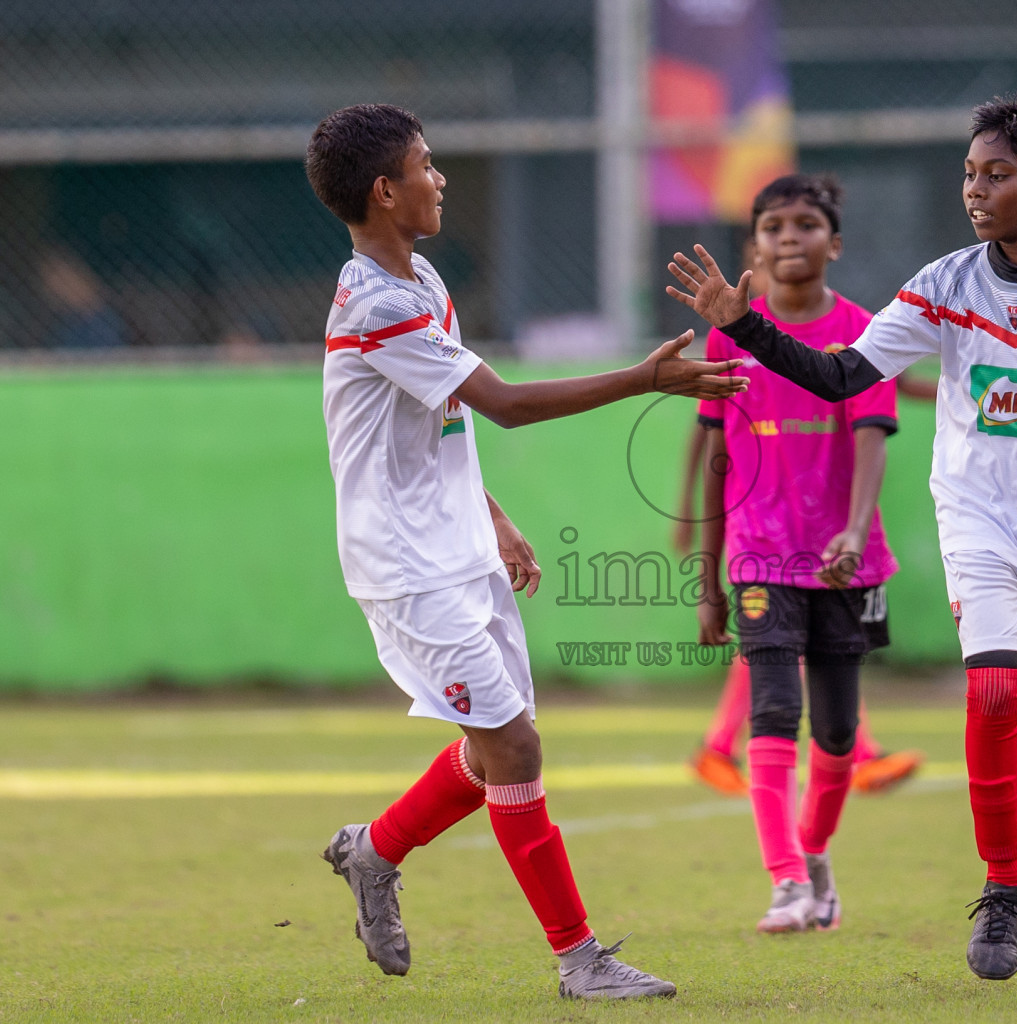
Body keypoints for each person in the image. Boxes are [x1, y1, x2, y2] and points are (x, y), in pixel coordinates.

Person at [667, 96, 1017, 987]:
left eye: (998, 174)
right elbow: (839, 375)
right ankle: (1004, 886)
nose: (975, 189)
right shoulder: (943, 283)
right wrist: (742, 324)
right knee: (990, 692)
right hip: (977, 514)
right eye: (970, 173)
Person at [305, 103, 746, 1000]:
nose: (441, 178)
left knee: (494, 750)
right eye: (427, 165)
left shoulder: (421, 277)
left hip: (457, 543)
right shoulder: (380, 303)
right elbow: (504, 403)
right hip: (406, 564)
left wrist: (493, 514)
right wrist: (644, 379)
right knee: (513, 745)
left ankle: (374, 851)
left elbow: (443, 416)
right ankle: (580, 961)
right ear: (386, 191)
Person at [695, 173, 903, 934]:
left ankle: (813, 853)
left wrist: (853, 530)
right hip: (757, 557)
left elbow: (873, 436)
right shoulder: (727, 339)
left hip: (847, 562)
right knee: (775, 711)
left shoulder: (863, 331)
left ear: (834, 243)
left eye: (806, 224)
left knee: (839, 737)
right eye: (773, 227)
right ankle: (785, 880)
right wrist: (709, 579)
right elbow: (718, 461)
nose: (789, 238)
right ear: (753, 245)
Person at [679, 233, 926, 799]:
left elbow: (874, 379)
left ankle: (736, 746)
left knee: (801, 646)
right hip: (760, 526)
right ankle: (830, 755)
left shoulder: (834, 332)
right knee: (777, 647)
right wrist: (691, 513)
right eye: (756, 260)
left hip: (815, 521)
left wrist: (954, 393)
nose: (761, 272)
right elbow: (708, 434)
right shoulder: (734, 339)